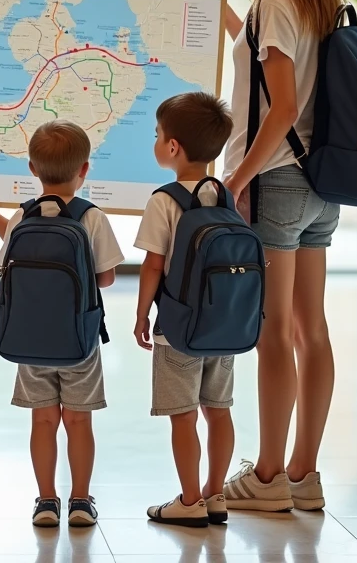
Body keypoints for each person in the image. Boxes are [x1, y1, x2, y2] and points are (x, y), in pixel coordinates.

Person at [186, 0, 343, 512]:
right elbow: (258, 59)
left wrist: (236, 179)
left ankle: (270, 475)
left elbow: (279, 108)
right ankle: (304, 472)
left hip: (277, 181)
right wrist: (223, 8)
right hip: (319, 184)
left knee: (274, 331)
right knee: (312, 329)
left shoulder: (276, 3)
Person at [0, 121, 125, 528]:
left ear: (32, 168)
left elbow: (4, 269)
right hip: (79, 339)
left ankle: (46, 501)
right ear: (84, 169)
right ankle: (80, 501)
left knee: (42, 420)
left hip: (29, 340)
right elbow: (106, 278)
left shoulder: (22, 216)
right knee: (79, 420)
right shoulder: (91, 216)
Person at [133, 93, 236, 527]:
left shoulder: (165, 200)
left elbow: (154, 264)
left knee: (183, 417)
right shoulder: (223, 194)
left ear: (173, 147)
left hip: (178, 328)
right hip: (224, 324)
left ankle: (189, 501)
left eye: (158, 135)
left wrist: (142, 316)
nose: (155, 142)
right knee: (220, 410)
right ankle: (216, 495)